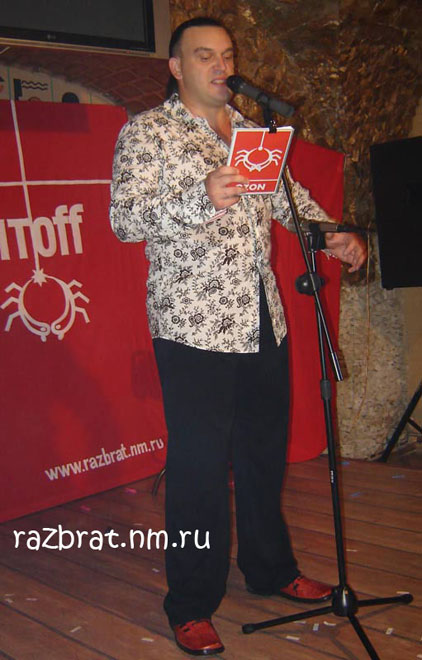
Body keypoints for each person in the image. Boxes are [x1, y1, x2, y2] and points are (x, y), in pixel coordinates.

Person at [110, 16, 367, 656]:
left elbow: (287, 199)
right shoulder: (148, 132)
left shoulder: (251, 132)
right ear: (176, 67)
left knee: (261, 454)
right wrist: (201, 196)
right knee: (198, 468)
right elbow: (125, 219)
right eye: (205, 56)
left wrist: (330, 234)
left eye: (226, 55)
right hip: (192, 326)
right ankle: (191, 603)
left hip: (260, 318)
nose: (221, 66)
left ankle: (270, 569)